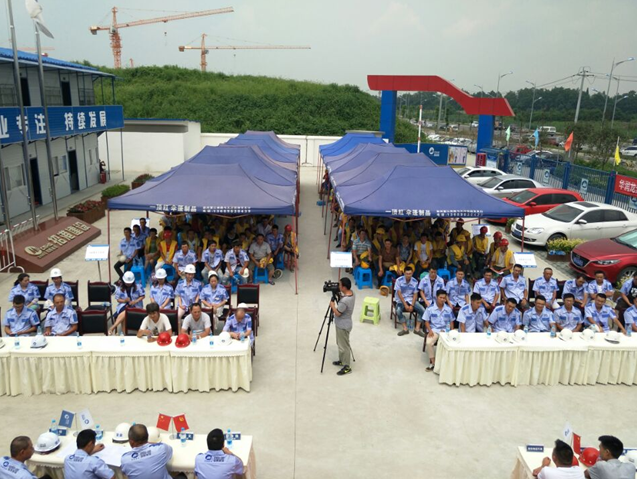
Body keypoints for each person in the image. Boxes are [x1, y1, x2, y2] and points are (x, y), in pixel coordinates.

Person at [329, 277, 355, 376]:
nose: (338, 287)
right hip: (344, 324)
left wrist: (332, 305)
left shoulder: (345, 301)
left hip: (343, 325)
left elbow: (338, 313)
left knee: (344, 346)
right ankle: (341, 360)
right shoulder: (352, 294)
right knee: (340, 343)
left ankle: (347, 366)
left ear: (344, 287)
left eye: (340, 285)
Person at [423, 290, 455, 371]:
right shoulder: (430, 308)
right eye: (440, 297)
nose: (442, 299)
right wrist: (429, 331)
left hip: (446, 330)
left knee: (454, 342)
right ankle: (433, 363)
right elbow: (426, 321)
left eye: (444, 298)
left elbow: (451, 321)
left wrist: (451, 331)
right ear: (436, 297)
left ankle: (449, 363)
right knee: (429, 343)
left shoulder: (448, 309)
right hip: (435, 330)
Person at [395, 266, 426, 337]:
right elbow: (399, 293)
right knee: (398, 311)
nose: (408, 275)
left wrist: (412, 305)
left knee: (423, 310)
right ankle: (405, 329)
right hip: (401, 300)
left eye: (410, 274)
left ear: (412, 273)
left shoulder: (415, 281)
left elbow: (415, 294)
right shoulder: (399, 280)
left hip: (411, 300)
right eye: (407, 273)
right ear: (404, 273)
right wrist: (405, 305)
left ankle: (417, 329)